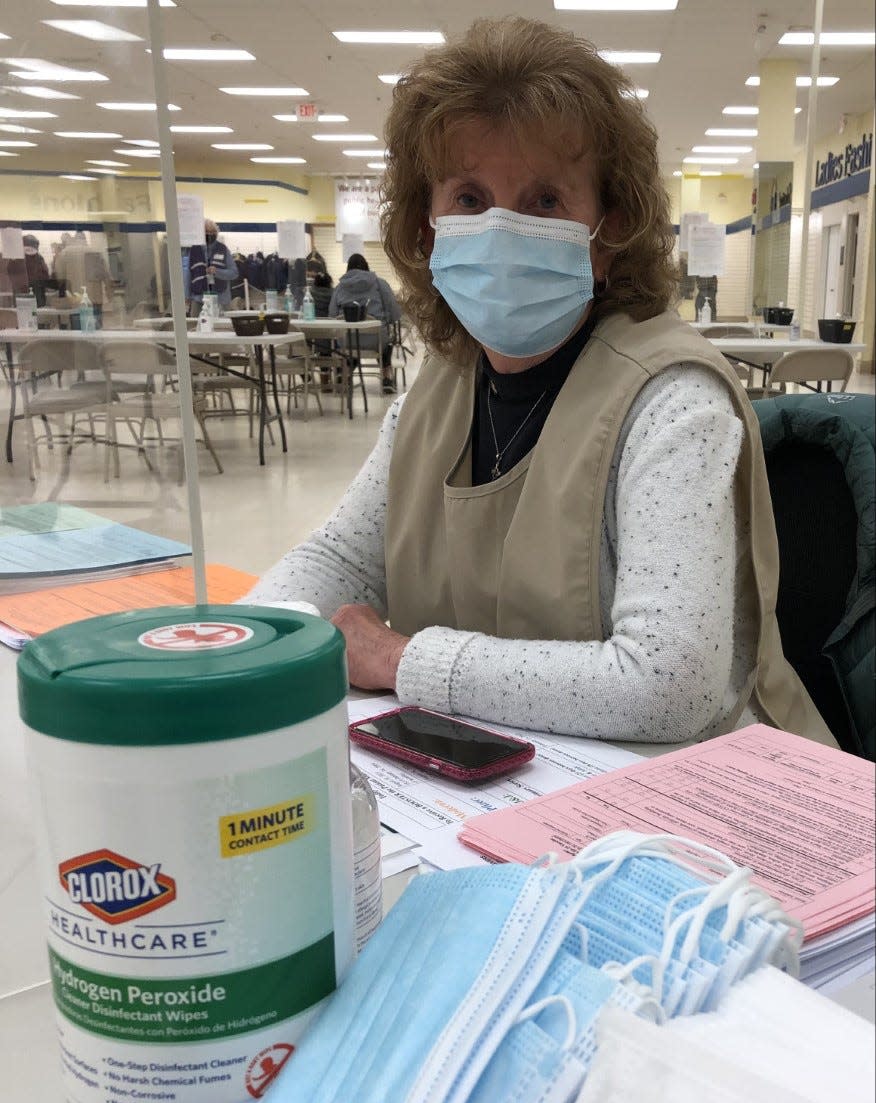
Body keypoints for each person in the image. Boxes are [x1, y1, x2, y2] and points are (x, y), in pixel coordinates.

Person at [243, 17, 832, 748]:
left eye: (545, 200)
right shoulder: (437, 393)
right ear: (426, 230)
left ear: (607, 233)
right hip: (514, 779)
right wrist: (245, 645)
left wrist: (403, 659)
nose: (501, 230)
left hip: (696, 801)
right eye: (468, 198)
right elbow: (339, 560)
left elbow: (672, 684)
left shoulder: (673, 402)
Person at [329, 254, 402, 393]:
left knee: (352, 343)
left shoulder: (339, 287)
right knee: (386, 343)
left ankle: (345, 374)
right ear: (366, 266)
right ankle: (386, 376)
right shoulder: (380, 284)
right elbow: (395, 313)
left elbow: (332, 315)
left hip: (347, 341)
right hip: (376, 340)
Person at [54, 230, 113, 325]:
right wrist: (110, 296)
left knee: (79, 334)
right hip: (95, 300)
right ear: (85, 239)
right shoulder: (96, 252)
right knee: (96, 332)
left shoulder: (65, 253)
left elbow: (59, 277)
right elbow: (106, 276)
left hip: (75, 300)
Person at [189, 219, 238, 311]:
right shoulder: (194, 250)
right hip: (199, 299)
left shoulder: (223, 249)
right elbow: (188, 274)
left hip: (221, 299)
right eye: (207, 231)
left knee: (223, 325)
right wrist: (186, 296)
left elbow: (234, 273)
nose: (210, 234)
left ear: (217, 233)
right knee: (196, 324)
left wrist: (217, 271)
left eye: (212, 232)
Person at [23, 235, 50, 306]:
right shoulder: (39, 258)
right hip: (37, 295)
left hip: (23, 296)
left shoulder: (18, 259)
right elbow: (46, 275)